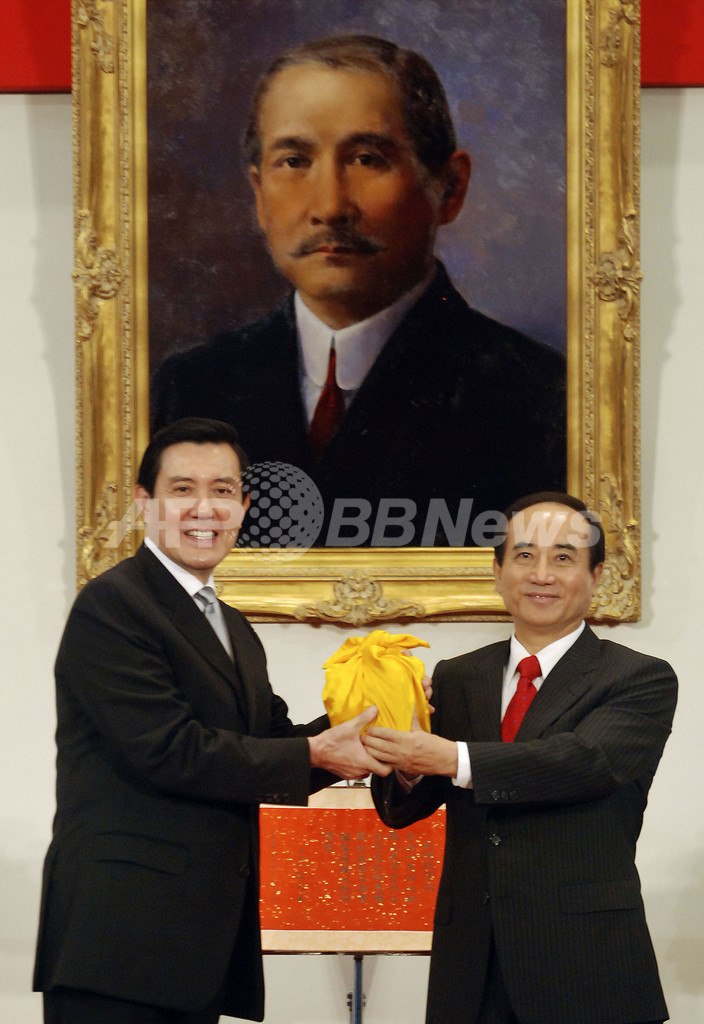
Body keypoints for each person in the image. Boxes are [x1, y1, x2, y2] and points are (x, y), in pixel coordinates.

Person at [33, 417, 390, 1024]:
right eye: (183, 489)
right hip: (120, 944)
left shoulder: (232, 625)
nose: (205, 508)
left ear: (244, 507)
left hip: (193, 950)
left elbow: (272, 744)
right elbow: (169, 750)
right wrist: (316, 752)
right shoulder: (113, 605)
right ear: (144, 503)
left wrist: (376, 715)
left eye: (223, 490)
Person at [150, 34, 566, 547]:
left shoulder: (538, 398)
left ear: (449, 188)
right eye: (294, 161)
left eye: (367, 159)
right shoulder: (188, 389)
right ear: (258, 194)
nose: (330, 206)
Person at [363, 492, 677, 1024]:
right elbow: (403, 808)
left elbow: (585, 762)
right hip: (471, 966)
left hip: (585, 964)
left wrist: (451, 757)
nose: (541, 575)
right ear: (498, 571)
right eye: (525, 555)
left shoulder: (638, 677)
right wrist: (408, 765)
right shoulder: (457, 676)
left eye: (563, 558)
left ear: (596, 575)